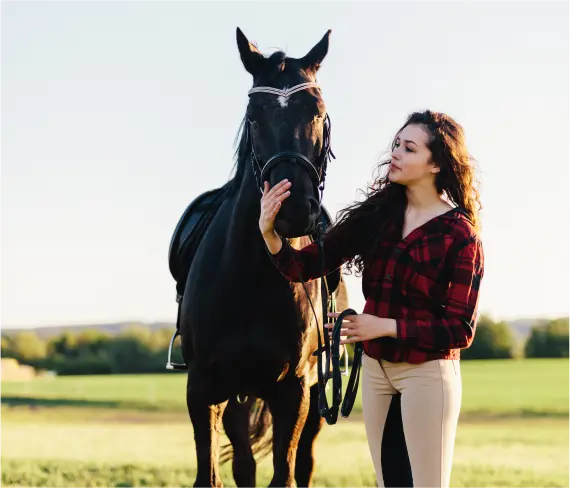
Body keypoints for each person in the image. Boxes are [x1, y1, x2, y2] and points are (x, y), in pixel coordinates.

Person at [259, 110, 485, 488]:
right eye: (396, 143)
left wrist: (382, 326)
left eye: (409, 148)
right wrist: (269, 232)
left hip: (427, 374)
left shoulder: (461, 235)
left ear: (436, 164)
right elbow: (303, 265)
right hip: (377, 372)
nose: (395, 152)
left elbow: (459, 330)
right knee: (389, 483)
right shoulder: (378, 215)